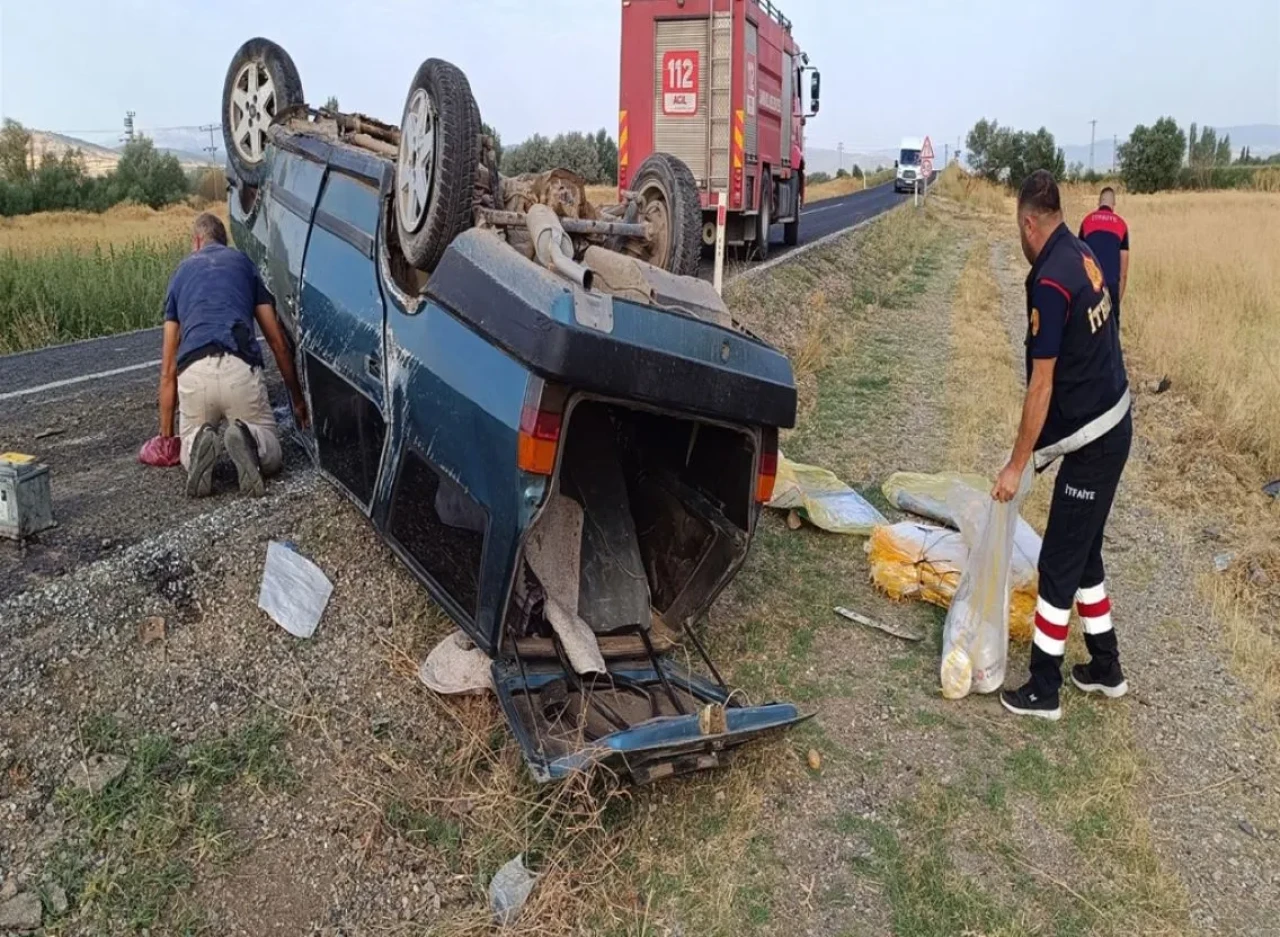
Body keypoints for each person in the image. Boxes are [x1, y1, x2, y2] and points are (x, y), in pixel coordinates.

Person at [993, 170, 1132, 721]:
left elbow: (1042, 385)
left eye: (1018, 229)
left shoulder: (1051, 281)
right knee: (1085, 553)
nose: (1019, 239)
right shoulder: (1080, 252)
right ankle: (1106, 667)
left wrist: (1017, 465)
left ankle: (1043, 688)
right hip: (1114, 421)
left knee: (1057, 562)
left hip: (1095, 439)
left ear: (1030, 223)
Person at [156, 212, 308, 498]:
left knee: (188, 446)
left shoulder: (180, 274)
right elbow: (277, 342)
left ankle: (196, 443)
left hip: (194, 372)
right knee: (272, 453)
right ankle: (250, 439)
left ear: (197, 241)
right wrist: (298, 400)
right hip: (239, 368)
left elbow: (167, 369)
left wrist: (166, 438)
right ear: (223, 241)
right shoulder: (243, 264)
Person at [1077, 187, 1129, 323]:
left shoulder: (1086, 221)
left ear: (1098, 202)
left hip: (1090, 286)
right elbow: (1124, 272)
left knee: (1088, 329)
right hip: (1111, 286)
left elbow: (1078, 259)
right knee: (1111, 332)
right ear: (1114, 204)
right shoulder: (1122, 225)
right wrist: (1116, 301)